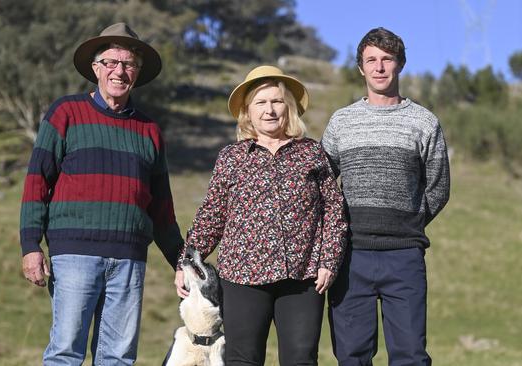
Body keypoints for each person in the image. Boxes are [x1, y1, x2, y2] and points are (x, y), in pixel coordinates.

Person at [19, 22, 184, 365]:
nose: (119, 71)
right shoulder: (65, 113)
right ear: (96, 68)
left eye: (128, 64)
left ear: (137, 73)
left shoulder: (149, 130)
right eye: (111, 62)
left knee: (119, 357)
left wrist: (181, 262)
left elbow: (162, 209)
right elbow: (37, 181)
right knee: (65, 352)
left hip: (129, 259)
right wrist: (31, 246)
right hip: (74, 255)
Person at [174, 65, 348, 365]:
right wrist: (186, 263)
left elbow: (333, 210)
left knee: (301, 358)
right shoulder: (232, 157)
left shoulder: (311, 153)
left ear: (289, 108)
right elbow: (211, 215)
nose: (269, 110)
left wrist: (328, 262)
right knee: (242, 359)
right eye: (260, 103)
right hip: (242, 277)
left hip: (303, 276)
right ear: (248, 112)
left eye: (276, 101)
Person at [322, 27, 451, 365]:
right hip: (349, 257)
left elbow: (438, 186)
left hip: (404, 256)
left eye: (387, 59)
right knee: (352, 356)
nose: (379, 67)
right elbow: (321, 185)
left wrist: (409, 220)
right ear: (361, 68)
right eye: (371, 60)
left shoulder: (424, 122)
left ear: (400, 64)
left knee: (410, 356)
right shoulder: (341, 122)